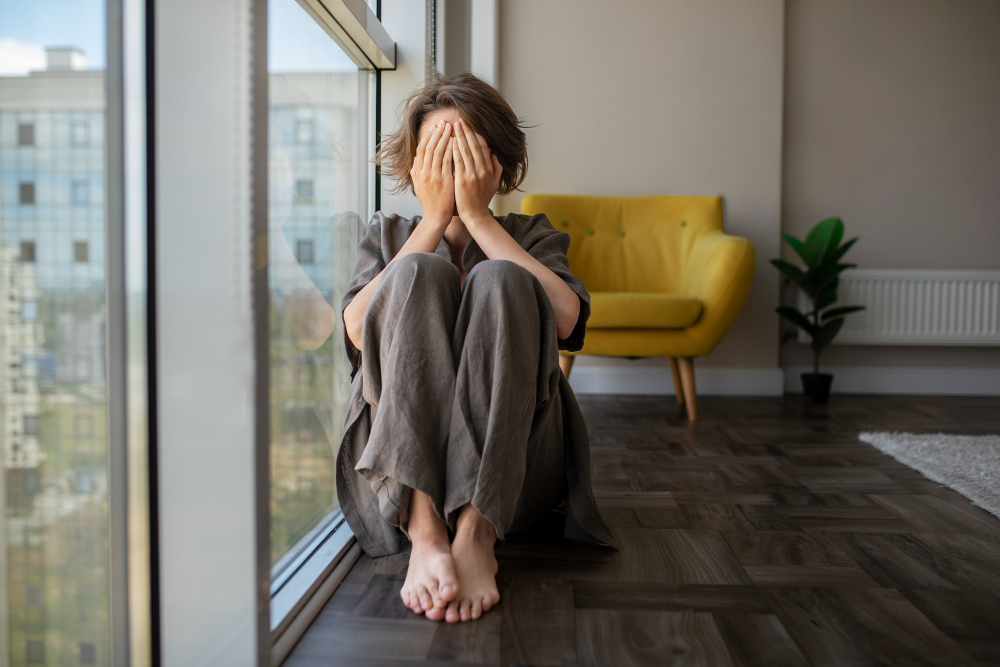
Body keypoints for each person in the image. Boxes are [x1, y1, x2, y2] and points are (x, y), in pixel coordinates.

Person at [339, 73, 614, 624]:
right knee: (419, 271)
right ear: (415, 163)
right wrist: (436, 220)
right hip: (394, 479)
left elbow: (566, 319)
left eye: (465, 150)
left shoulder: (530, 232)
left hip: (518, 480)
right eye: (438, 150)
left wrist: (479, 219)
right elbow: (354, 327)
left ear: (496, 162)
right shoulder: (390, 233)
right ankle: (425, 530)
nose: (451, 164)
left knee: (504, 280)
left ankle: (476, 531)